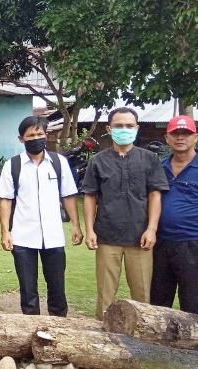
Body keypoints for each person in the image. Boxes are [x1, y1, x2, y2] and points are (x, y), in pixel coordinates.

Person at [81, 107, 169, 320]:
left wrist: (151, 229)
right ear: (109, 129)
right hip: (107, 236)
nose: (124, 130)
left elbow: (155, 195)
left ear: (137, 128)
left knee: (141, 296)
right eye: (119, 126)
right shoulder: (98, 161)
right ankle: (103, 336)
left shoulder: (150, 159)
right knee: (105, 294)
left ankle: (141, 340)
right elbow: (90, 196)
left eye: (129, 126)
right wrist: (90, 230)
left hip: (139, 237)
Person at [0, 116, 82, 317]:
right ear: (21, 139)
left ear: (46, 135)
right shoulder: (13, 165)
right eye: (31, 135)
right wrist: (5, 232)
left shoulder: (59, 162)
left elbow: (68, 195)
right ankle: (30, 329)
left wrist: (76, 225)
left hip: (53, 236)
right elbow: (6, 200)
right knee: (28, 290)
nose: (36, 138)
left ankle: (59, 328)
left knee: (57, 287)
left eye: (40, 134)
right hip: (23, 236)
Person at [152, 115, 198, 314]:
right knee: (158, 301)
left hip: (192, 243)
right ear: (167, 138)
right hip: (160, 242)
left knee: (192, 300)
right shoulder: (158, 167)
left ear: (195, 137)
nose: (180, 138)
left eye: (186, 133)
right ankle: (158, 346)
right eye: (175, 134)